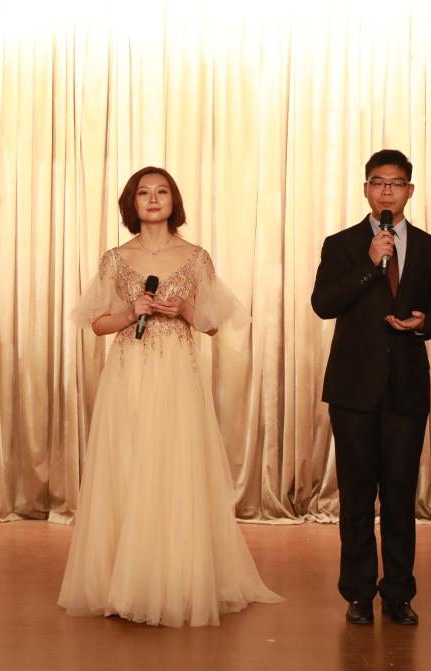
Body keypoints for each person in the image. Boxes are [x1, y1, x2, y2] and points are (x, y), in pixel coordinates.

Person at [58, 166, 281, 627]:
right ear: (132, 203)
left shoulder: (196, 258)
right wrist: (129, 311)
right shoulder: (116, 259)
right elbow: (95, 323)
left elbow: (213, 325)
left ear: (174, 200)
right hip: (128, 375)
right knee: (127, 466)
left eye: (162, 191)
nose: (153, 199)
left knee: (175, 468)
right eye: (144, 192)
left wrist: (184, 308)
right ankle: (123, 583)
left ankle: (176, 581)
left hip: (178, 376)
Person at [311, 149, 431, 626]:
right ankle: (357, 593)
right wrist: (371, 263)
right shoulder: (342, 244)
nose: (386, 190)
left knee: (399, 496)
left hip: (406, 389)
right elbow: (324, 303)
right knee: (355, 495)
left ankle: (398, 593)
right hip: (353, 389)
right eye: (377, 182)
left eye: (395, 183)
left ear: (409, 190)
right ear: (366, 189)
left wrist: (422, 322)